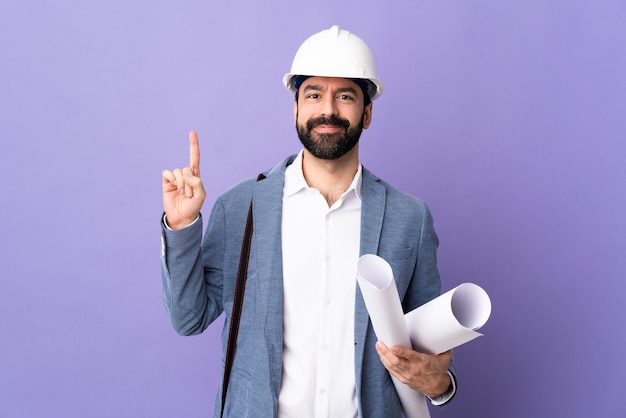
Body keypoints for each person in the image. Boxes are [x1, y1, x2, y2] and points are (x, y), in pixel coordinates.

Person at [161, 25, 456, 418]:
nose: (328, 110)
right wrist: (182, 226)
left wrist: (441, 385)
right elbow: (188, 317)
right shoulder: (241, 207)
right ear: (296, 109)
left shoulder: (410, 219)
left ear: (367, 113)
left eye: (345, 96)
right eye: (314, 94)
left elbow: (433, 357)